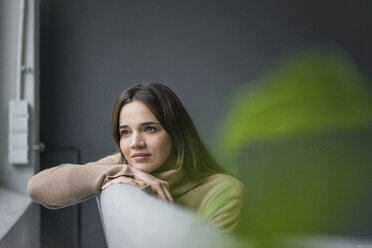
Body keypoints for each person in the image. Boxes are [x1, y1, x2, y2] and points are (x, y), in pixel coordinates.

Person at [27, 83, 246, 234]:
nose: (135, 143)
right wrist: (129, 172)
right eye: (125, 132)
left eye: (150, 129)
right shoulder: (124, 165)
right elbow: (37, 187)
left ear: (176, 133)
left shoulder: (224, 191)